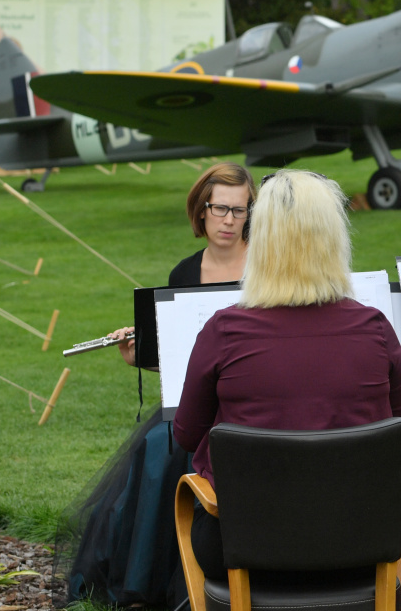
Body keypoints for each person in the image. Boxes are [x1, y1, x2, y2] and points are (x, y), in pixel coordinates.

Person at [172, 169, 401, 576]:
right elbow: (395, 427)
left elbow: (186, 435)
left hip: (244, 547)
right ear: (335, 239)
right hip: (359, 544)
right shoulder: (375, 329)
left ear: (260, 240)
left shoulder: (224, 330)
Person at [59, 162, 254, 608]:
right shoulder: (183, 274)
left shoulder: (268, 266)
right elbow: (185, 364)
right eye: (219, 208)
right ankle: (148, 582)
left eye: (239, 211)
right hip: (199, 400)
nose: (228, 220)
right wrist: (142, 358)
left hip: (248, 399)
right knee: (157, 447)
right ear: (201, 211)